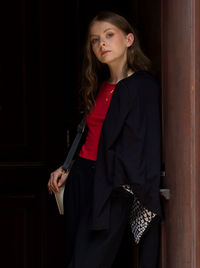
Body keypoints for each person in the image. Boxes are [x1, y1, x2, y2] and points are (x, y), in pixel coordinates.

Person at [48, 11, 162, 268]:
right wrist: (69, 166)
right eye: (95, 39)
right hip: (82, 179)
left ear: (129, 39)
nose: (102, 44)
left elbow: (139, 144)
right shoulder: (99, 85)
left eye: (110, 35)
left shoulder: (141, 86)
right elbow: (92, 135)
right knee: (76, 256)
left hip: (112, 185)